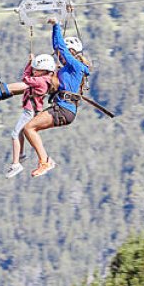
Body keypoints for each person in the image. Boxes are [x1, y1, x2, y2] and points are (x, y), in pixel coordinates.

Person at [22, 11, 91, 177]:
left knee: (29, 128)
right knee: (30, 128)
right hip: (64, 109)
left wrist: (56, 26)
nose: (60, 57)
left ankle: (45, 161)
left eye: (65, 54)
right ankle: (44, 160)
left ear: (72, 52)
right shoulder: (67, 71)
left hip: (63, 109)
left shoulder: (75, 67)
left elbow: (59, 48)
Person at [5, 53, 58, 178]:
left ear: (45, 71)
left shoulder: (40, 81)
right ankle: (21, 154)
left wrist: (29, 64)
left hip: (30, 111)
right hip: (31, 110)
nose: (34, 71)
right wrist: (31, 63)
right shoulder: (45, 78)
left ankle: (16, 164)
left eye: (36, 70)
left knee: (15, 134)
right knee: (20, 132)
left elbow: (25, 78)